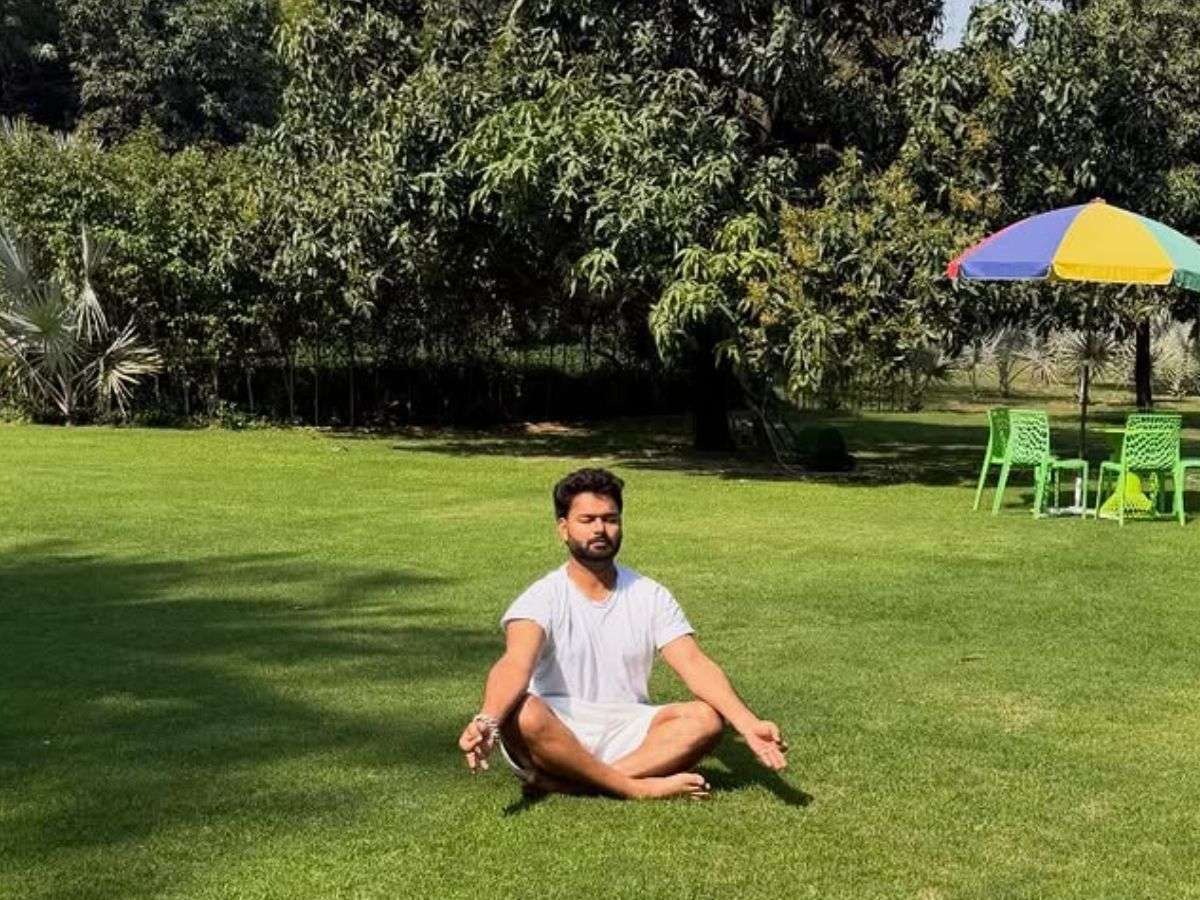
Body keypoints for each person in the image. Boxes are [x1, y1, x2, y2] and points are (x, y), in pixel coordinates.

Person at [457, 467, 787, 800]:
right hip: (556, 728)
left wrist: (747, 724)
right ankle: (632, 787)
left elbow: (692, 661)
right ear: (563, 528)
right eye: (587, 520)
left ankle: (572, 781)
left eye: (610, 519)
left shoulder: (650, 594)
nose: (600, 529)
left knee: (705, 719)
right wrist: (488, 719)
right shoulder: (542, 597)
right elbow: (515, 664)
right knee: (522, 711)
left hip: (627, 728)